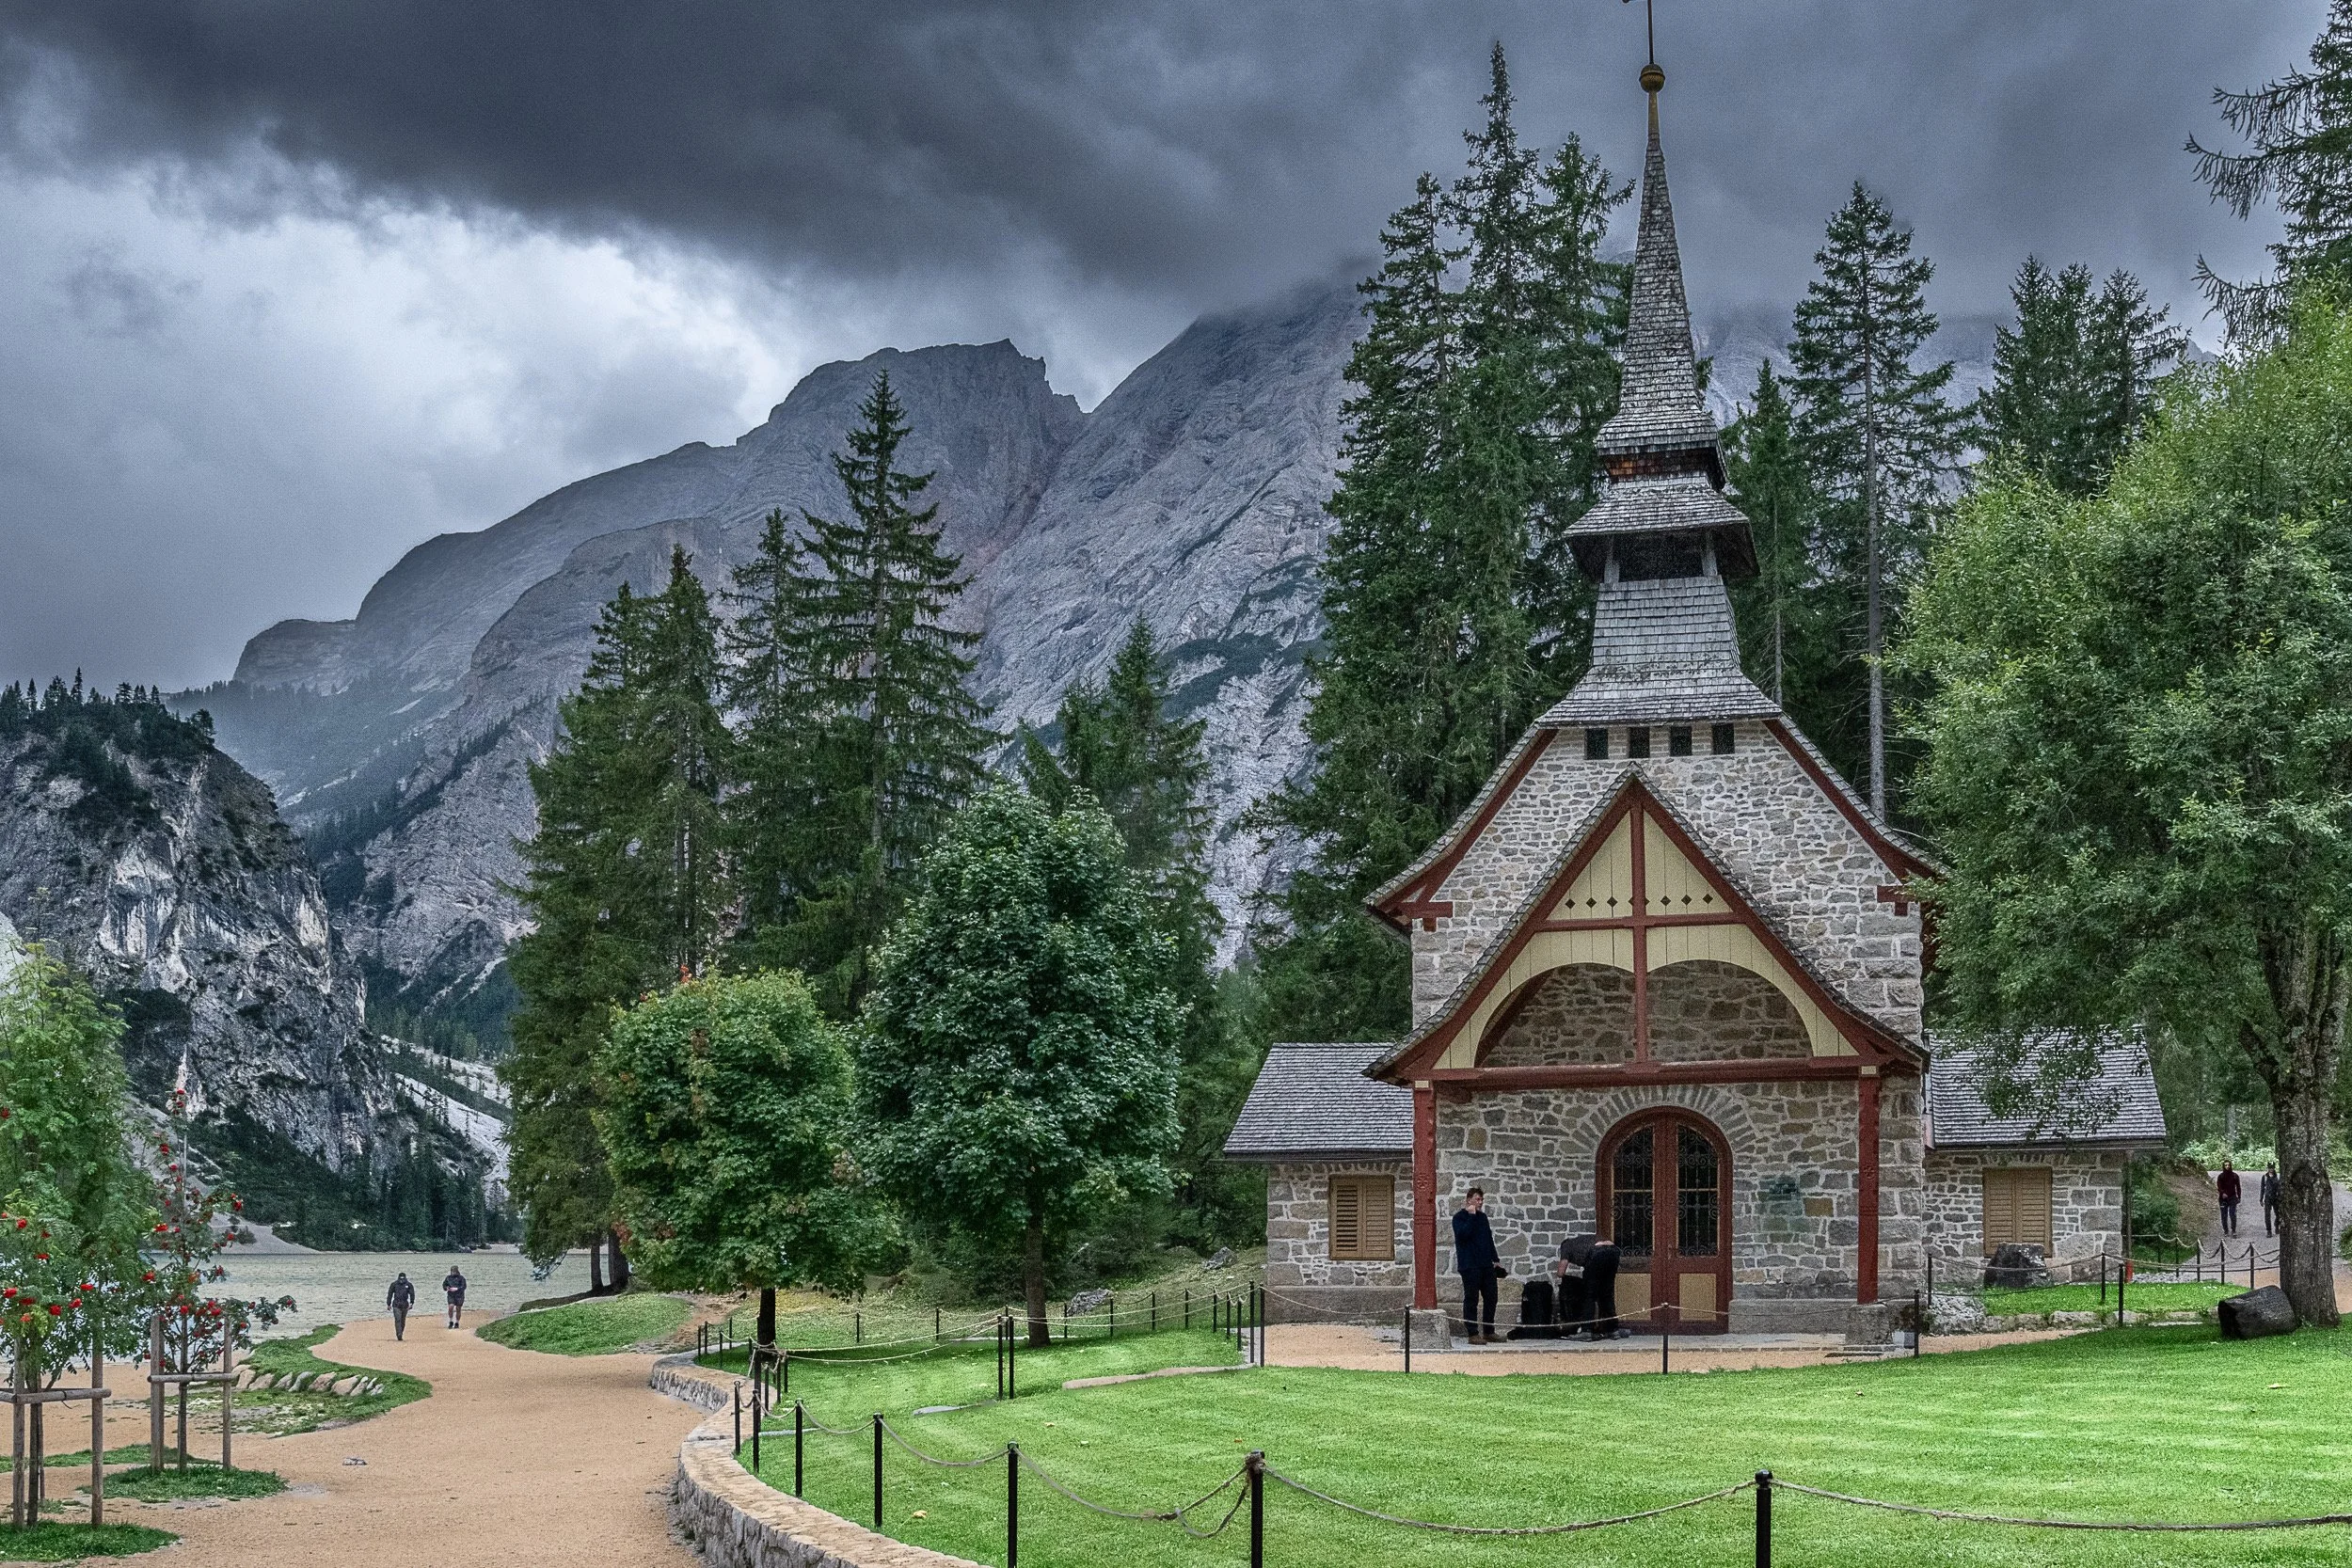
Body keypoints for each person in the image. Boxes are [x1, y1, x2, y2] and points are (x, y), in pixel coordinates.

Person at [1451, 1188, 1505, 1344]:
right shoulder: (1459, 1218)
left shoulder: (1483, 1218)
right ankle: (1472, 1333)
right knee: (1471, 1299)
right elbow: (1463, 1235)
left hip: (1485, 1264)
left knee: (1491, 1297)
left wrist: (1495, 1259)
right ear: (1469, 1200)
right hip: (1469, 1265)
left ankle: (1489, 1331)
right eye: (1477, 1199)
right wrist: (1471, 1216)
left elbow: (1488, 1239)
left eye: (1481, 1200)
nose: (1480, 1203)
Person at [387, 1272, 416, 1340]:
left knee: (403, 1321)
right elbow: (390, 1294)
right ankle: (399, 1334)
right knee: (398, 1319)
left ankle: (401, 1332)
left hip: (405, 1304)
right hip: (396, 1304)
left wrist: (412, 1303)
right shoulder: (394, 1284)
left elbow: (412, 1294)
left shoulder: (409, 1285)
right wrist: (388, 1304)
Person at [2217, 1159, 2241, 1238]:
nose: (2227, 1167)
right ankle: (2226, 1231)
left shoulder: (2235, 1176)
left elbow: (2238, 1187)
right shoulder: (2220, 1176)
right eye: (2226, 1165)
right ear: (2223, 1166)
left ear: (2231, 1166)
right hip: (2223, 1199)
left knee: (2232, 1214)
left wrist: (2239, 1197)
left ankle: (2233, 1230)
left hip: (2232, 1197)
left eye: (2229, 1165)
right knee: (2224, 1215)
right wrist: (2222, 1193)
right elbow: (2219, 1187)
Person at [443, 1264, 469, 1328]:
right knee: (451, 1307)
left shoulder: (461, 1278)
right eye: (452, 1271)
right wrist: (447, 1288)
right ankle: (451, 1321)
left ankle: (457, 1322)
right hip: (451, 1295)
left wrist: (457, 1289)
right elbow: (444, 1286)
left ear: (457, 1271)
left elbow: (464, 1286)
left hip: (459, 1295)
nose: (453, 1273)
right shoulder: (448, 1278)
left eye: (454, 1271)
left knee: (458, 1308)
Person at [2260, 1163, 2280, 1238]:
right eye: (2270, 1168)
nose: (2271, 1169)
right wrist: (2261, 1199)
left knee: (2278, 1213)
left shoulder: (2277, 1177)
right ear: (2268, 1168)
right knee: (2267, 1215)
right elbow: (2262, 1189)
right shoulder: (2264, 1177)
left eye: (2272, 1168)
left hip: (2275, 1198)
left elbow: (2279, 1188)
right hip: (2268, 1198)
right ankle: (2269, 1230)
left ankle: (2277, 1225)